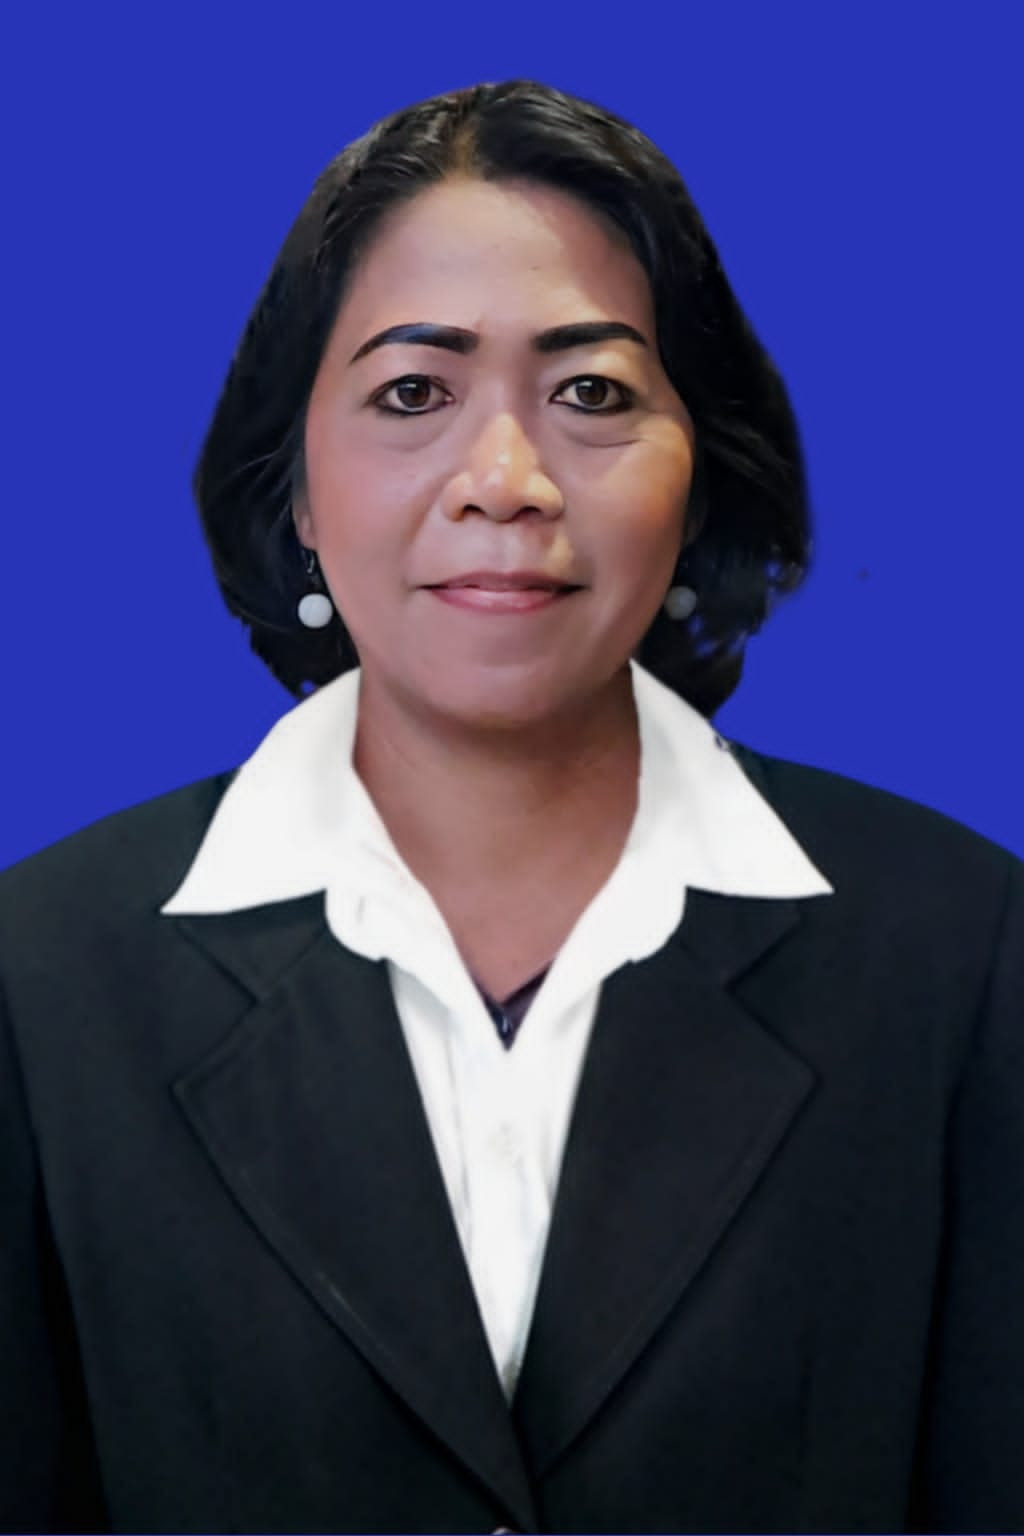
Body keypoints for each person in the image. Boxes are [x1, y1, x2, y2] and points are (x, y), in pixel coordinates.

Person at [0, 77, 1021, 1536]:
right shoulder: (40, 974)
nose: (505, 480)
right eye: (413, 394)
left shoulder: (962, 949)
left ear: (699, 476)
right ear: (297, 487)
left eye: (592, 393)